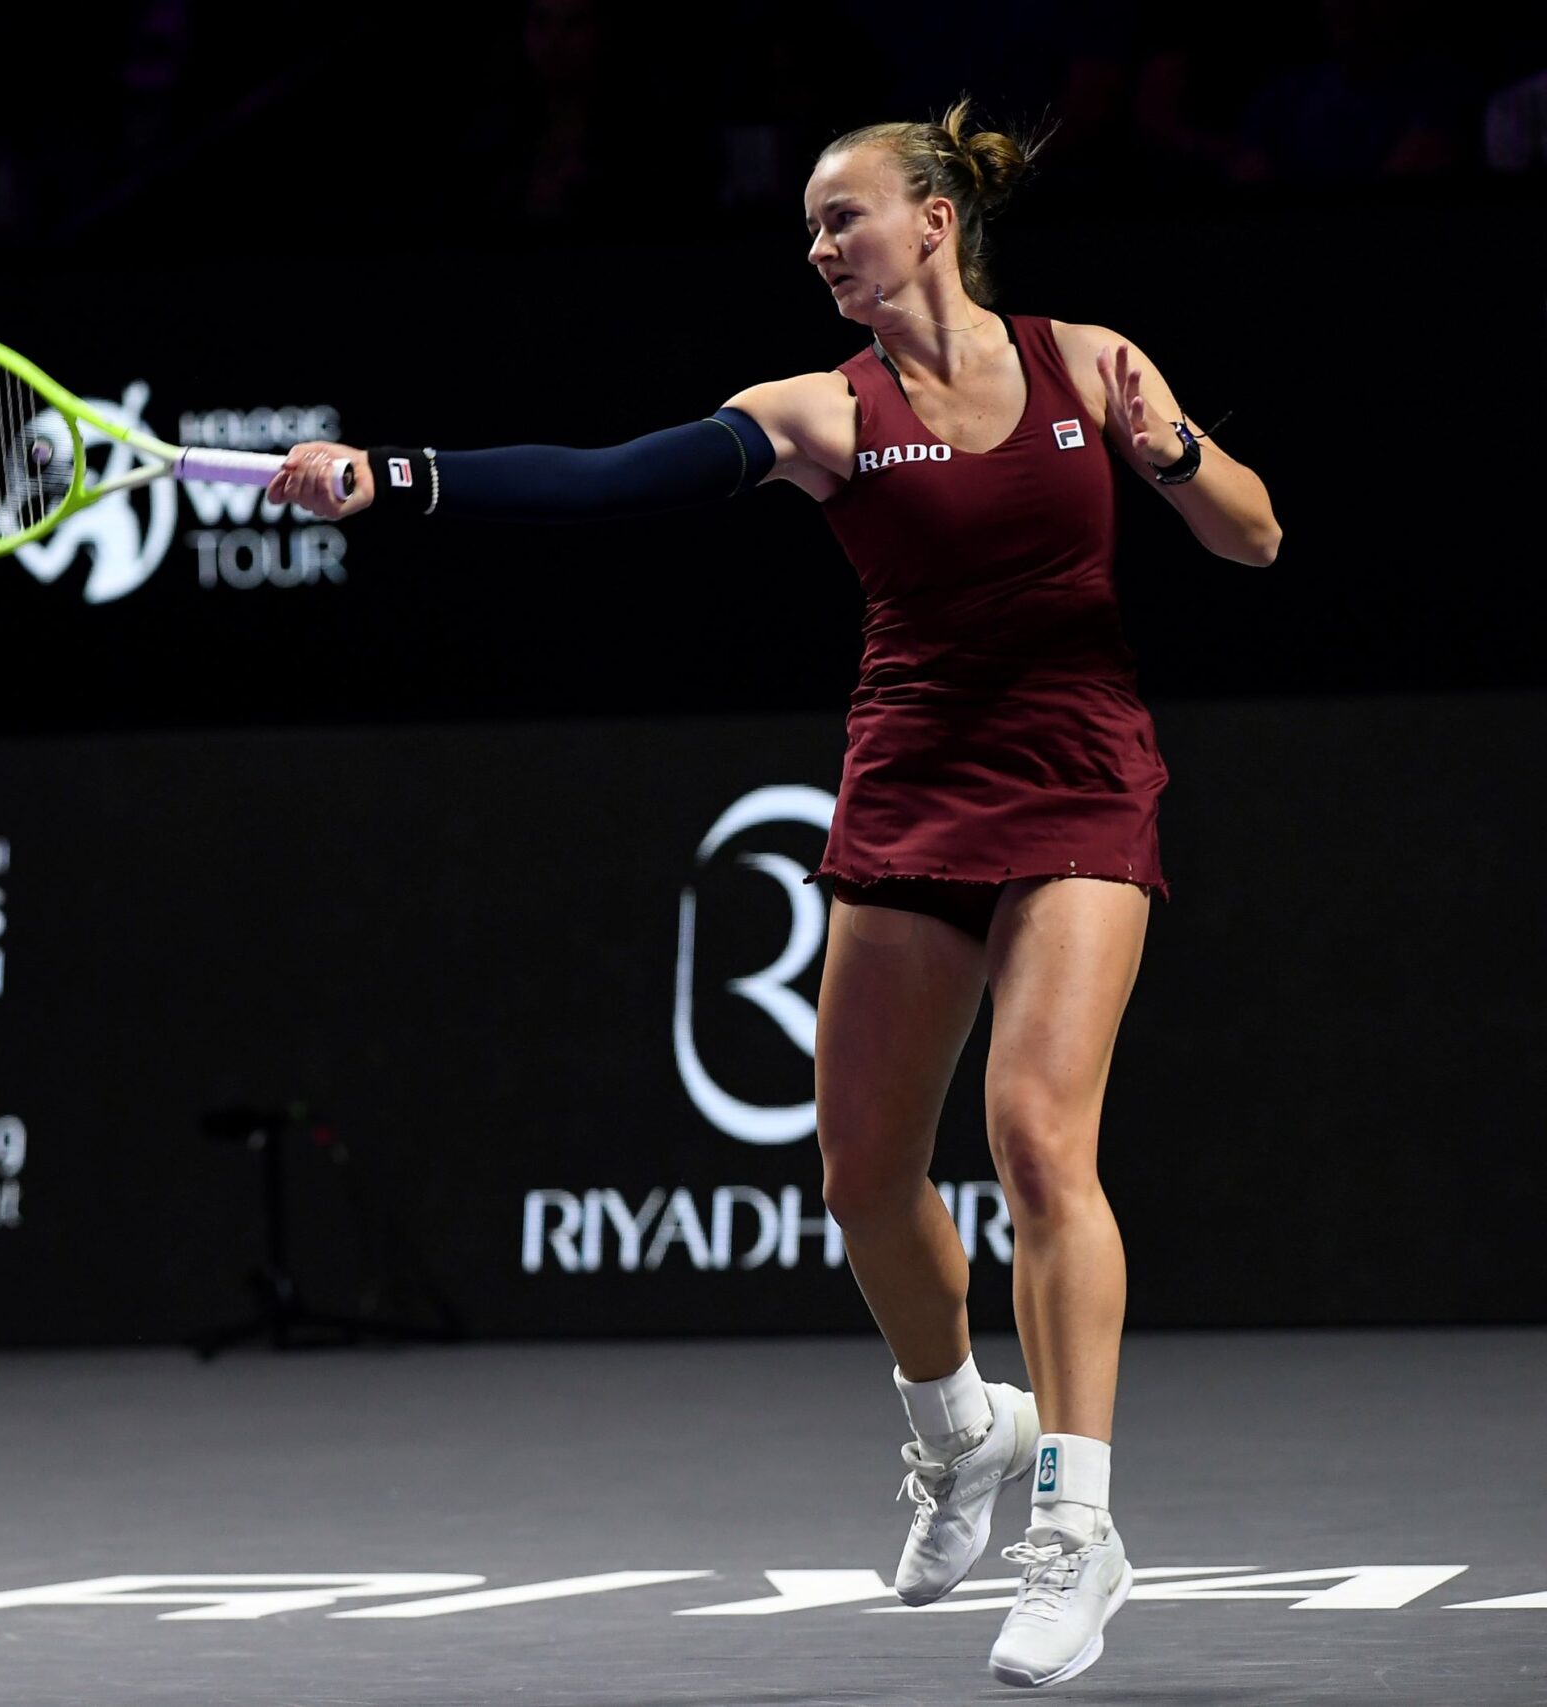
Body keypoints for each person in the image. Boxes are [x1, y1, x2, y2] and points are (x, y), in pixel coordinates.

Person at [269, 98, 1281, 1690]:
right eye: (809, 228)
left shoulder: (1094, 364)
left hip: (1084, 776)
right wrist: (393, 477)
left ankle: (1078, 1529)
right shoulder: (819, 413)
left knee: (1035, 1133)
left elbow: (1257, 537)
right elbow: (608, 483)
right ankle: (958, 1432)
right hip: (911, 786)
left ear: (936, 219)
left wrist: (1172, 450)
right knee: (865, 1172)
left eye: (844, 217)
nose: (818, 248)